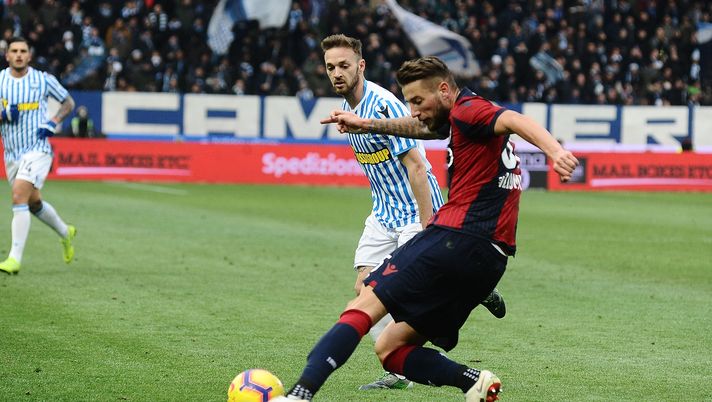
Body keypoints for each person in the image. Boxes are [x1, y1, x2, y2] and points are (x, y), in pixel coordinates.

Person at [272, 56, 578, 402]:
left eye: (418, 101)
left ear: (445, 90)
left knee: (362, 303)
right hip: (490, 260)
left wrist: (555, 151)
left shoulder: (470, 111)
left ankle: (299, 394)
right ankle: (473, 381)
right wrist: (366, 125)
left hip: (454, 239)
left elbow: (512, 118)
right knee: (390, 347)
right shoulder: (461, 118)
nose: (414, 109)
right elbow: (424, 130)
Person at [319, 35, 506, 391]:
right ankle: (399, 371)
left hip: (415, 212)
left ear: (361, 66)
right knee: (363, 289)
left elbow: (417, 166)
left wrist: (426, 227)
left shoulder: (383, 104)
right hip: (383, 212)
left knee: (403, 292)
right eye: (331, 67)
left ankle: (469, 291)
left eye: (344, 65)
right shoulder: (348, 108)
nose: (337, 73)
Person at [0, 37, 77, 275]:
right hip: (12, 152)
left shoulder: (42, 80)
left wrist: (53, 121)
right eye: (15, 51)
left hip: (38, 149)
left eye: (23, 51)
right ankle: (66, 233)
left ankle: (14, 259)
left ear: (30, 56)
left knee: (18, 195)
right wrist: (3, 115)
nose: (19, 54)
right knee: (33, 202)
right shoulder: (0, 80)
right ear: (8, 56)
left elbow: (68, 102)